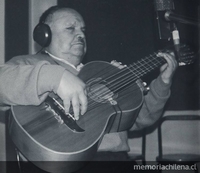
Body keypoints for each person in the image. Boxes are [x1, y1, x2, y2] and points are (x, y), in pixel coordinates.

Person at [0, 5, 177, 173]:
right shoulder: (28, 64)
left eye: (83, 30)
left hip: (115, 162)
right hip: (58, 164)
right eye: (71, 28)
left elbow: (141, 119)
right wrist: (56, 77)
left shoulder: (101, 72)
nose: (80, 35)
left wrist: (162, 82)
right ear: (44, 35)